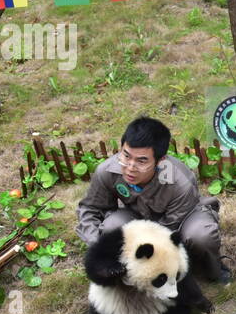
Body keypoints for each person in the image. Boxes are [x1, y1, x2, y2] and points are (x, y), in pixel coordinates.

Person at [76, 116, 228, 283]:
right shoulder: (107, 171)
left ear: (160, 161)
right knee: (112, 227)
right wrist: (99, 249)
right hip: (139, 215)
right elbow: (90, 209)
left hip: (183, 220)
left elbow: (167, 234)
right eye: (126, 156)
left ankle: (213, 269)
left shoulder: (179, 182)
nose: (130, 167)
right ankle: (125, 275)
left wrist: (142, 260)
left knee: (200, 236)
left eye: (142, 161)